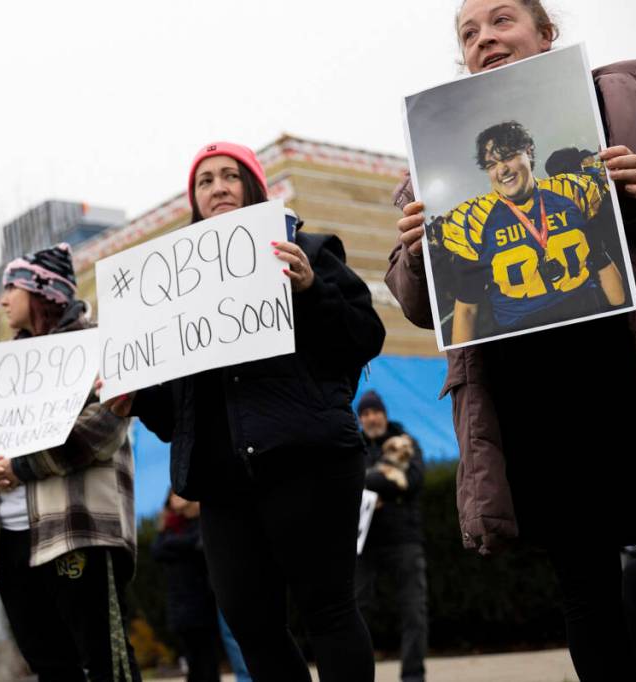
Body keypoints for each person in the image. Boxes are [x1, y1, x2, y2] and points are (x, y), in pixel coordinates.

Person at [385, 1, 636, 679]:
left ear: (546, 32)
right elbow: (420, 308)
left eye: (501, 19)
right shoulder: (431, 167)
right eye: (468, 34)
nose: (484, 39)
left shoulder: (629, 99)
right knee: (583, 584)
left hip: (627, 374)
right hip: (530, 400)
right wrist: (419, 253)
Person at [107, 141, 385, 681]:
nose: (217, 187)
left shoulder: (308, 248)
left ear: (253, 187)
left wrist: (309, 290)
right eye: (204, 181)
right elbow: (177, 417)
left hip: (309, 462)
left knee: (327, 611)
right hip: (223, 484)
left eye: (229, 175)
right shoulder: (174, 291)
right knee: (250, 624)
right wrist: (138, 399)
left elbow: (362, 338)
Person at [0, 243, 141, 682]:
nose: (1, 301)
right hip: (10, 539)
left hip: (77, 529)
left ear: (42, 292)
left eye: (10, 289)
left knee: (105, 660)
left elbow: (101, 432)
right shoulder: (0, 366)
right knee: (49, 664)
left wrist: (18, 467)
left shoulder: (100, 343)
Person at [440, 120, 625, 343]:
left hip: (588, 312)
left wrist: (624, 317)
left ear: (528, 152)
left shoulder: (570, 193)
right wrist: (464, 369)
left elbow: (601, 261)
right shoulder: (475, 221)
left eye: (508, 157)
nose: (502, 170)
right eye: (491, 165)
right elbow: (467, 309)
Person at [355, 391, 428, 682]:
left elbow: (413, 481)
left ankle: (413, 676)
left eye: (376, 412)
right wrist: (387, 479)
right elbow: (346, 485)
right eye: (366, 413)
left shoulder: (407, 441)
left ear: (384, 414)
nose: (372, 417)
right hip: (363, 543)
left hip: (404, 539)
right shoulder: (352, 447)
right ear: (360, 419)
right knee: (354, 614)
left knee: (414, 612)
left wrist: (367, 484)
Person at [152, 491, 220, 682]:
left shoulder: (198, 522)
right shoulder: (168, 527)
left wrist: (173, 546)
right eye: (172, 496)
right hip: (178, 601)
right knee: (192, 658)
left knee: (207, 657)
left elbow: (198, 544)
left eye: (178, 495)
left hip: (202, 599)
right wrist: (183, 547)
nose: (175, 499)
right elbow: (157, 550)